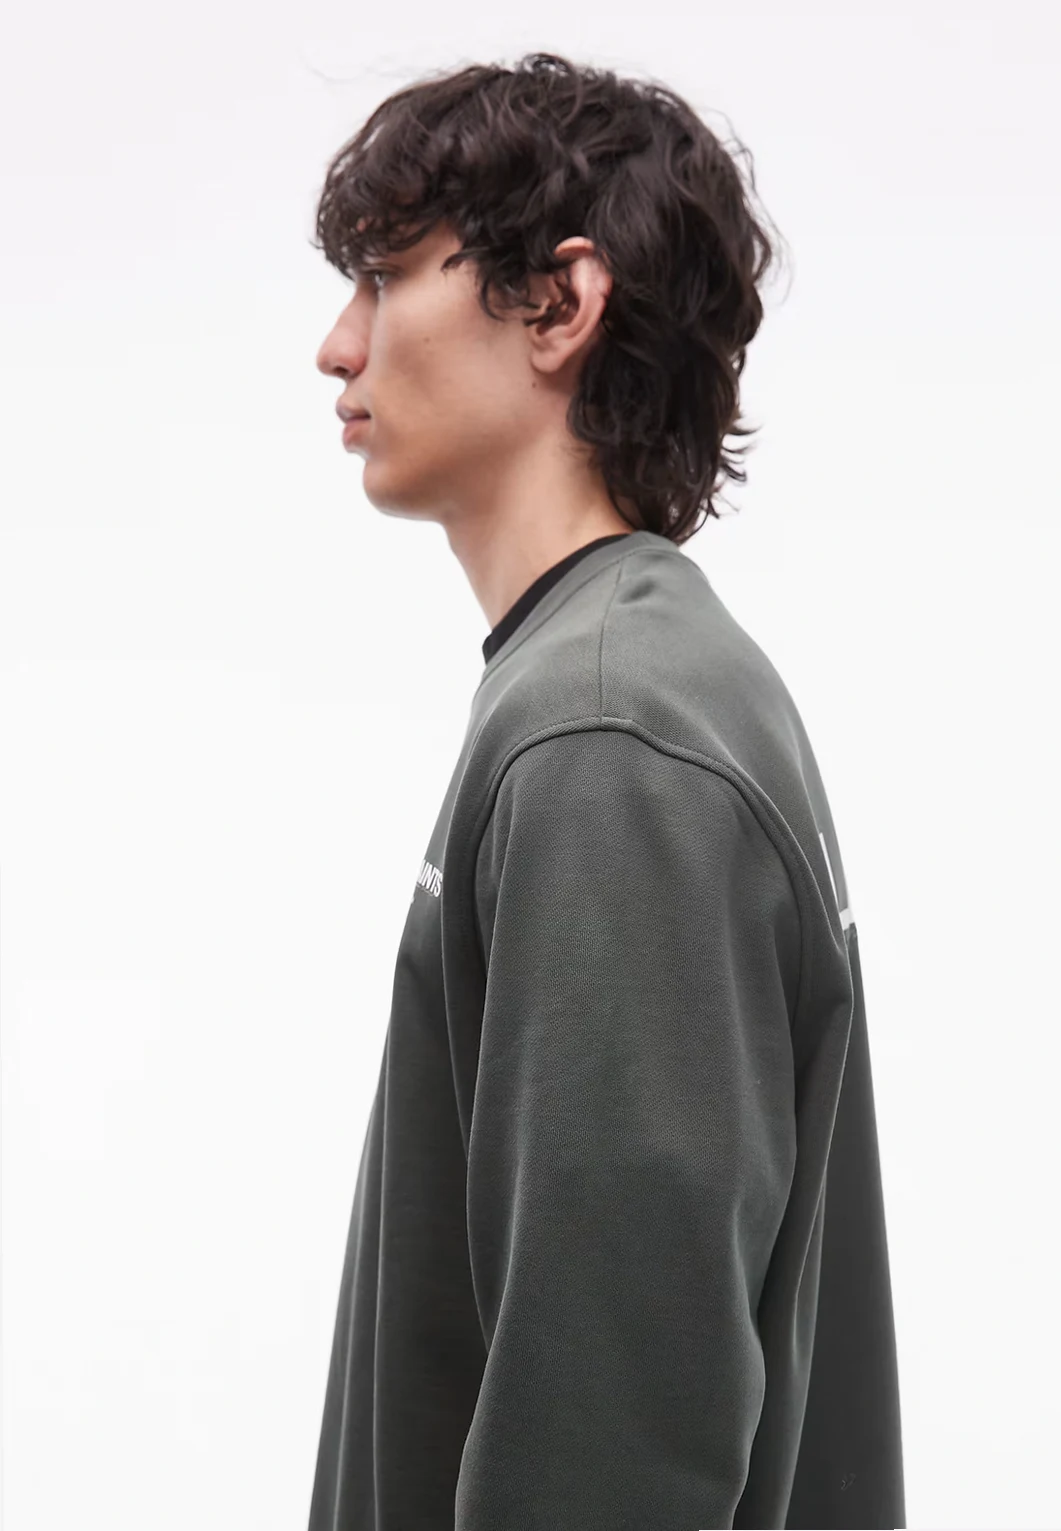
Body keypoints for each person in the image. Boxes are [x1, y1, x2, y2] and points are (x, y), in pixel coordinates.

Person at [309, 50, 904, 1531]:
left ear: (562, 305)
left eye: (385, 277)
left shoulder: (604, 736)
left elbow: (616, 1438)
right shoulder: (632, 690)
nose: (337, 345)